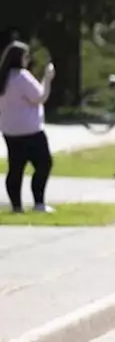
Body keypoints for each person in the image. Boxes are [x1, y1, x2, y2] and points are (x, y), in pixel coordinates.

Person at [0, 41, 55, 213]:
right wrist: (47, 78)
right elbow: (39, 96)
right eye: (26, 56)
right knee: (43, 164)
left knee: (15, 168)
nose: (28, 59)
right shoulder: (22, 76)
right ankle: (39, 203)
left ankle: (16, 206)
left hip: (10, 130)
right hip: (30, 129)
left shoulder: (3, 78)